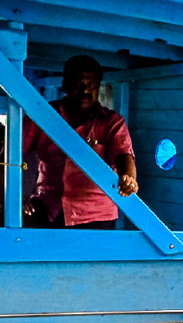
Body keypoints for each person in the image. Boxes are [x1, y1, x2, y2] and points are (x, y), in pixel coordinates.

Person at [23, 54, 137, 228]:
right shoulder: (43, 116)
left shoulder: (112, 122)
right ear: (66, 86)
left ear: (98, 87)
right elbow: (9, 154)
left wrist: (128, 179)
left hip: (96, 215)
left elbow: (123, 156)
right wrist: (10, 199)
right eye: (79, 85)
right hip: (48, 207)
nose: (85, 91)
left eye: (91, 86)